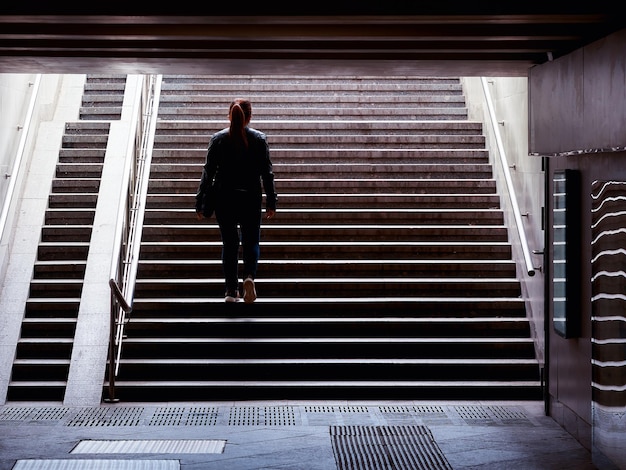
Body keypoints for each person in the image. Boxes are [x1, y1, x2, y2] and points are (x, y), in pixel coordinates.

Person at [195, 98, 277, 303]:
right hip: (250, 197)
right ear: (249, 116)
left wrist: (200, 200)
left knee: (230, 243)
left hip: (225, 198)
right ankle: (249, 277)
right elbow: (267, 173)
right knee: (251, 241)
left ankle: (231, 291)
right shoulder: (259, 139)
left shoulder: (218, 139)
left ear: (230, 115)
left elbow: (208, 173)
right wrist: (271, 201)